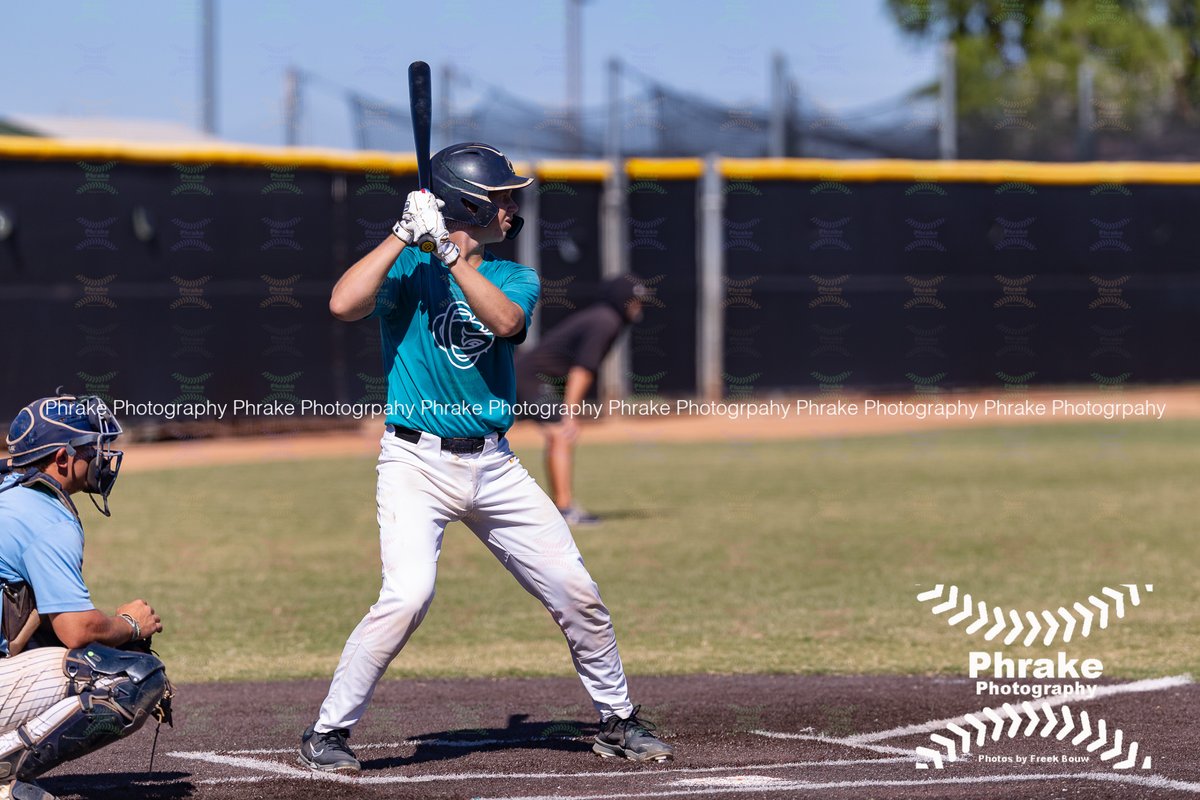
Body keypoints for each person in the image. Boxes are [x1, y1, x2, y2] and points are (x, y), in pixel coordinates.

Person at [299, 142, 673, 773]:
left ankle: (618, 718)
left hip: (495, 465)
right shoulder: (406, 273)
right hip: (415, 463)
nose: (511, 206)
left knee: (576, 590)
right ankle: (327, 732)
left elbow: (503, 323)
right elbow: (341, 303)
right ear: (468, 203)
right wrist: (400, 235)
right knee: (408, 595)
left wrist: (447, 251)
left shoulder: (513, 276)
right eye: (501, 197)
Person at [0, 394, 171, 800]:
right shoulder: (45, 516)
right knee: (128, 675)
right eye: (91, 449)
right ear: (62, 458)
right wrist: (130, 625)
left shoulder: (10, 495)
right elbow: (77, 631)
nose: (102, 457)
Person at [515, 274, 647, 525]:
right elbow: (583, 369)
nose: (637, 305)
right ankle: (564, 509)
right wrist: (570, 413)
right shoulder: (605, 321)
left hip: (534, 377)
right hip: (531, 378)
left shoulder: (604, 318)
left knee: (551, 434)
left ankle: (562, 506)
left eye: (640, 301)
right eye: (633, 300)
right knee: (560, 433)